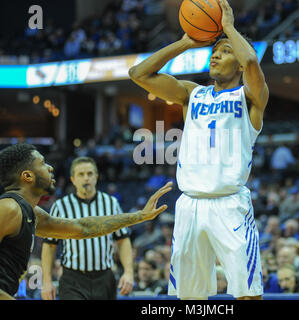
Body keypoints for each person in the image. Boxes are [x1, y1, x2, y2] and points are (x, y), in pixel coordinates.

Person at [129, 0, 268, 300]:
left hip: (229, 204)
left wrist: (228, 28)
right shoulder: (193, 94)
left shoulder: (250, 98)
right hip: (190, 205)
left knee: (248, 293)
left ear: (239, 63)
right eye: (214, 51)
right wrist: (183, 43)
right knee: (188, 298)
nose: (216, 55)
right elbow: (139, 74)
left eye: (226, 51)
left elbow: (253, 64)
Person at [0, 143, 172, 300]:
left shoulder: (31, 212)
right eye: (42, 163)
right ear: (28, 176)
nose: (50, 168)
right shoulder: (9, 209)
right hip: (71, 278)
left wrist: (140, 216)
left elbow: (82, 228)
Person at [41, 157, 134, 300]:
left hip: (104, 277)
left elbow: (123, 240)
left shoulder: (111, 203)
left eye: (90, 174)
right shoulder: (61, 206)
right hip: (73, 278)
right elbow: (49, 245)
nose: (86, 178)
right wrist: (46, 281)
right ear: (73, 179)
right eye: (81, 174)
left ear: (96, 177)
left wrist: (128, 272)